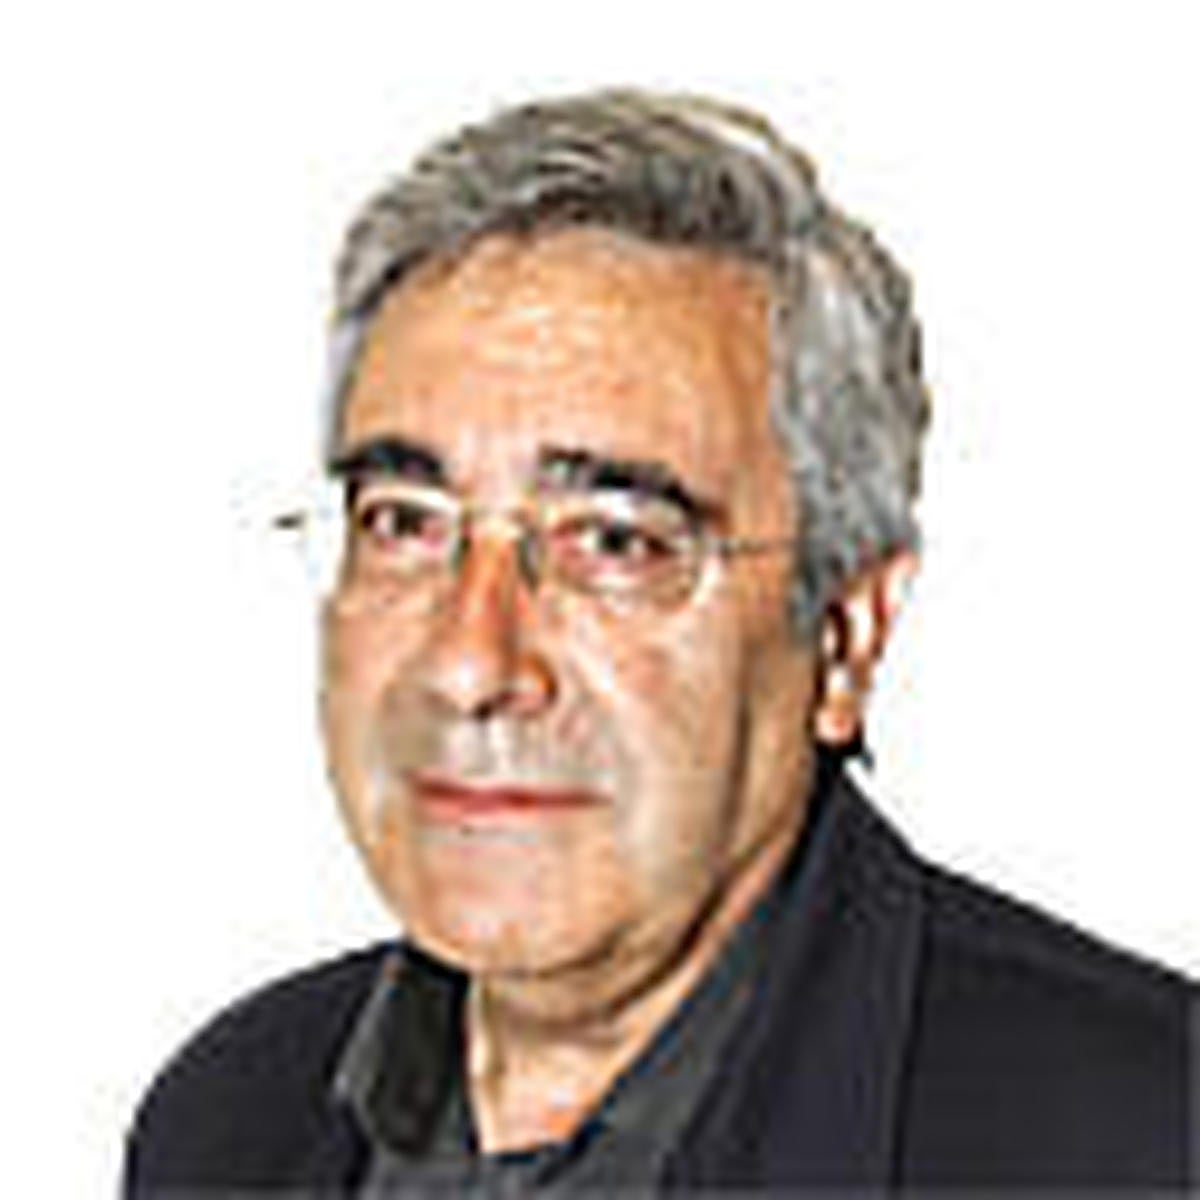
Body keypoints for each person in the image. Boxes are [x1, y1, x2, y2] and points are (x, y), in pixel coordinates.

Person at [123, 89, 1195, 1194]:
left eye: (615, 542)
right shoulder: (230, 1120)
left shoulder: (1152, 1142)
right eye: (405, 523)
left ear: (844, 637)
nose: (470, 664)